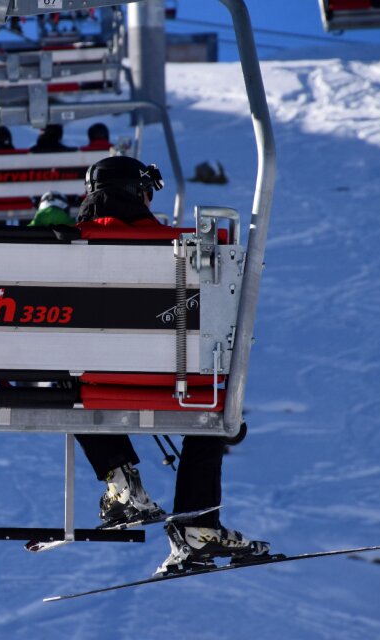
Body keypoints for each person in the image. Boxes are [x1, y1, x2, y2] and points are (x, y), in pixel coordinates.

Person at [76, 155, 270, 574]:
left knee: (60, 375)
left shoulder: (68, 246)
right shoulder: (178, 247)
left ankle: (120, 475)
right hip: (175, 382)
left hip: (89, 381)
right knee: (207, 403)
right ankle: (197, 524)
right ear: (139, 194)